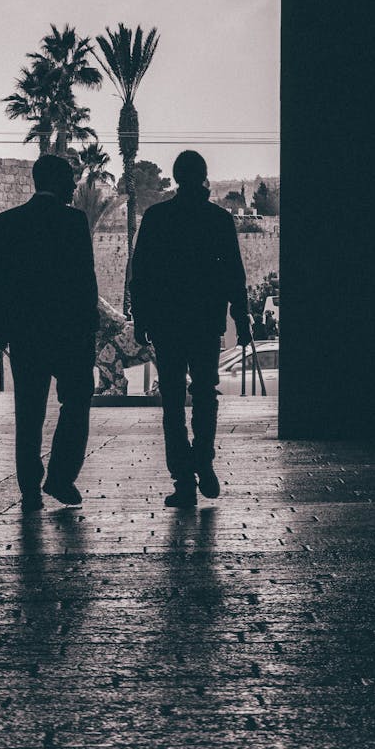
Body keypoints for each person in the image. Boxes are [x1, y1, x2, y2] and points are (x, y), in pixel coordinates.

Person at [130, 149, 251, 507]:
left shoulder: (157, 217)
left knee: (171, 400)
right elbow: (234, 275)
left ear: (176, 176)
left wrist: (141, 318)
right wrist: (241, 319)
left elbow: (142, 275)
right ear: (204, 176)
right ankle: (205, 461)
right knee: (205, 392)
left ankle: (183, 478)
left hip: (167, 323)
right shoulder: (217, 219)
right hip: (204, 321)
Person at [0, 154, 99, 510]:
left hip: (26, 333)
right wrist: (90, 329)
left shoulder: (6, 223)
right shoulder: (75, 222)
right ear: (60, 182)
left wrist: (1, 328)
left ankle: (30, 489)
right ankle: (61, 478)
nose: (74, 187)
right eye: (71, 180)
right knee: (77, 402)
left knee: (29, 410)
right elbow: (85, 282)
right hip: (69, 333)